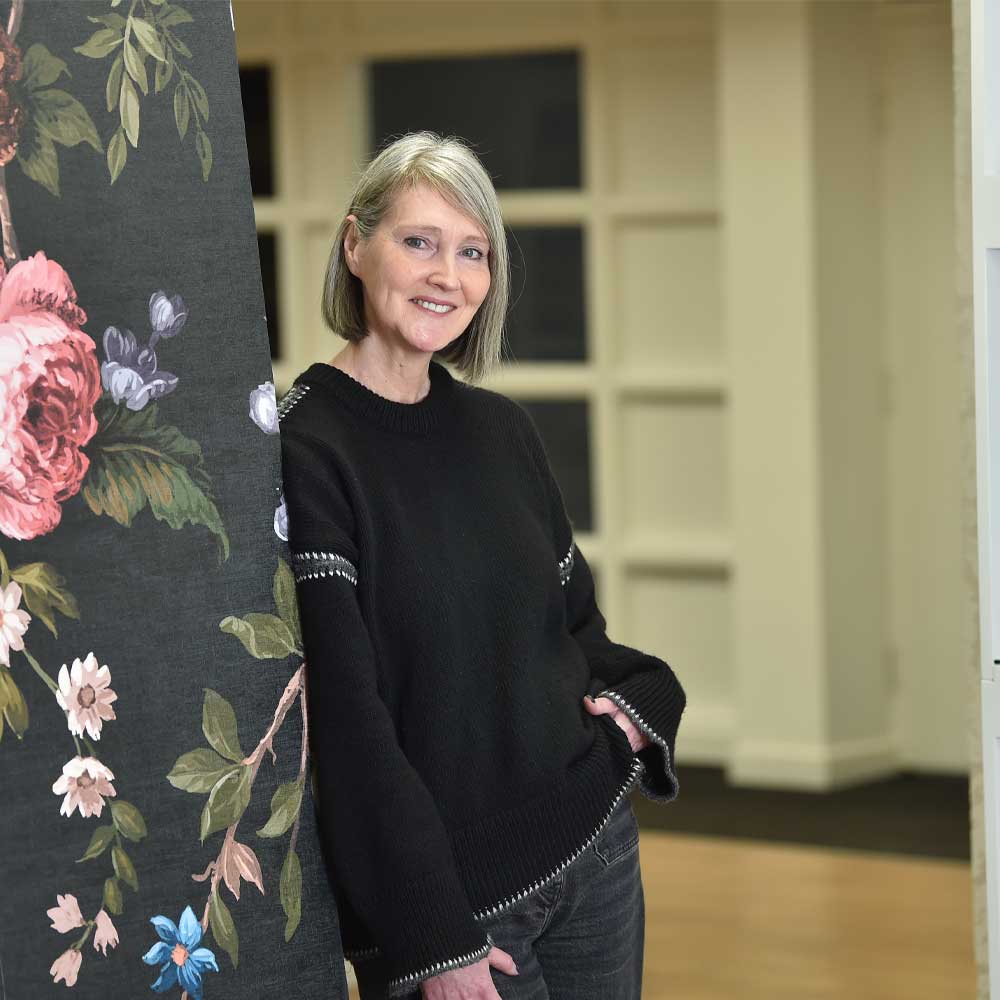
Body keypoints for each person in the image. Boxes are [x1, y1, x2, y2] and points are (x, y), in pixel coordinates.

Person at [278, 131, 687, 1000]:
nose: (446, 276)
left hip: (595, 846)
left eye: (473, 253)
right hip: (465, 909)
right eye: (418, 242)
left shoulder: (502, 431)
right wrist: (430, 934)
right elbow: (348, 726)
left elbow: (573, 629)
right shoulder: (304, 446)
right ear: (355, 245)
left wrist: (639, 710)